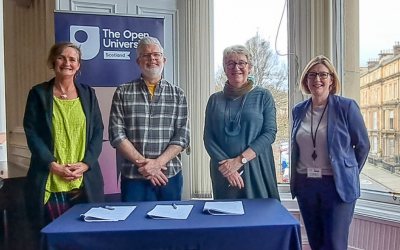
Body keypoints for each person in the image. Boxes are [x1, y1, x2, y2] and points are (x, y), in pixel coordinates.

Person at [23, 42, 105, 235]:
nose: (67, 62)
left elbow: (98, 132)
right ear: (53, 61)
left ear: (78, 66)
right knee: (56, 235)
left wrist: (86, 164)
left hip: (84, 180)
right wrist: (52, 164)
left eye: (72, 59)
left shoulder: (88, 94)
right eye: (61, 57)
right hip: (51, 178)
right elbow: (32, 132)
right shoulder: (38, 93)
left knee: (86, 236)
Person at [290, 55, 370, 250]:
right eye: (312, 75)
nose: (317, 79)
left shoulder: (346, 107)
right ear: (306, 80)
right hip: (306, 185)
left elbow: (363, 146)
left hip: (336, 187)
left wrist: (346, 172)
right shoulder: (298, 110)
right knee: (316, 243)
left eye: (323, 75)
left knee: (335, 244)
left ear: (331, 79)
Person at [109, 37, 190, 202]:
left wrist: (158, 164)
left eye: (156, 55)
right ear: (139, 61)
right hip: (133, 177)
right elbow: (116, 134)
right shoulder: (123, 92)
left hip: (169, 176)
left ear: (163, 60)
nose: (152, 59)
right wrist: (146, 166)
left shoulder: (178, 94)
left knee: (169, 226)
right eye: (146, 55)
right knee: (134, 226)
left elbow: (182, 136)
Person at [204, 45, 280, 200]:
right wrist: (229, 168)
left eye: (241, 63)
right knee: (227, 218)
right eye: (230, 63)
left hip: (256, 167)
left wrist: (240, 160)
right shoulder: (214, 100)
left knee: (259, 218)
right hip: (224, 171)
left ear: (249, 67)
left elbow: (270, 133)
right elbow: (209, 138)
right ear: (225, 68)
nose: (236, 67)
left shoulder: (263, 96)